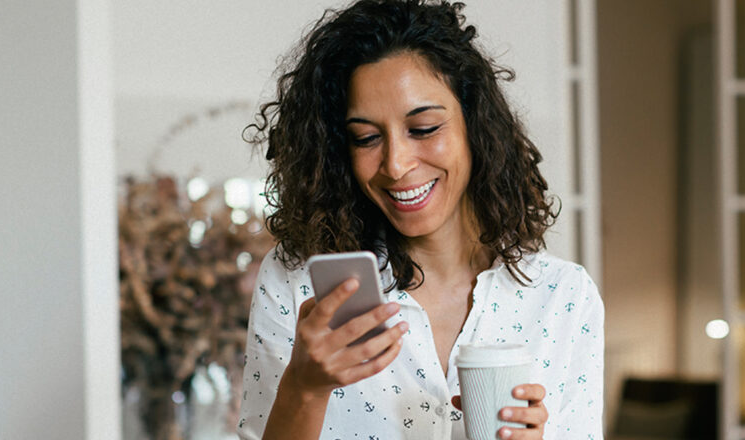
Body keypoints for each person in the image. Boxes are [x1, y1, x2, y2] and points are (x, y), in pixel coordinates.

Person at [238, 1, 604, 439]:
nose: (395, 164)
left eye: (424, 128)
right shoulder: (298, 284)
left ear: (475, 125)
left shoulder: (562, 297)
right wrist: (305, 388)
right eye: (366, 138)